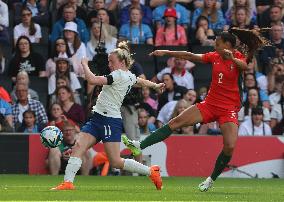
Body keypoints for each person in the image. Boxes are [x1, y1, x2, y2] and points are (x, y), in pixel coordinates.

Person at [122, 29, 269, 192]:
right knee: (175, 122)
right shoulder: (214, 56)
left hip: (228, 109)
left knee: (230, 146)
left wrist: (232, 58)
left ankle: (211, 179)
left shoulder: (238, 57)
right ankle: (139, 145)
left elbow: (244, 66)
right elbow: (190, 56)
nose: (215, 45)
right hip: (209, 104)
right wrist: (166, 52)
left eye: (217, 43)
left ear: (227, 45)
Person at [51, 41, 164, 190]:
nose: (109, 64)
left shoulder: (117, 75)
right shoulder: (128, 76)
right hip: (97, 118)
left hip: (109, 121)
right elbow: (139, 81)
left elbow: (92, 80)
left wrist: (85, 63)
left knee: (116, 161)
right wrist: (154, 85)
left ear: (122, 62)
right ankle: (68, 183)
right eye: (109, 61)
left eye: (112, 61)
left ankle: (151, 171)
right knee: (78, 147)